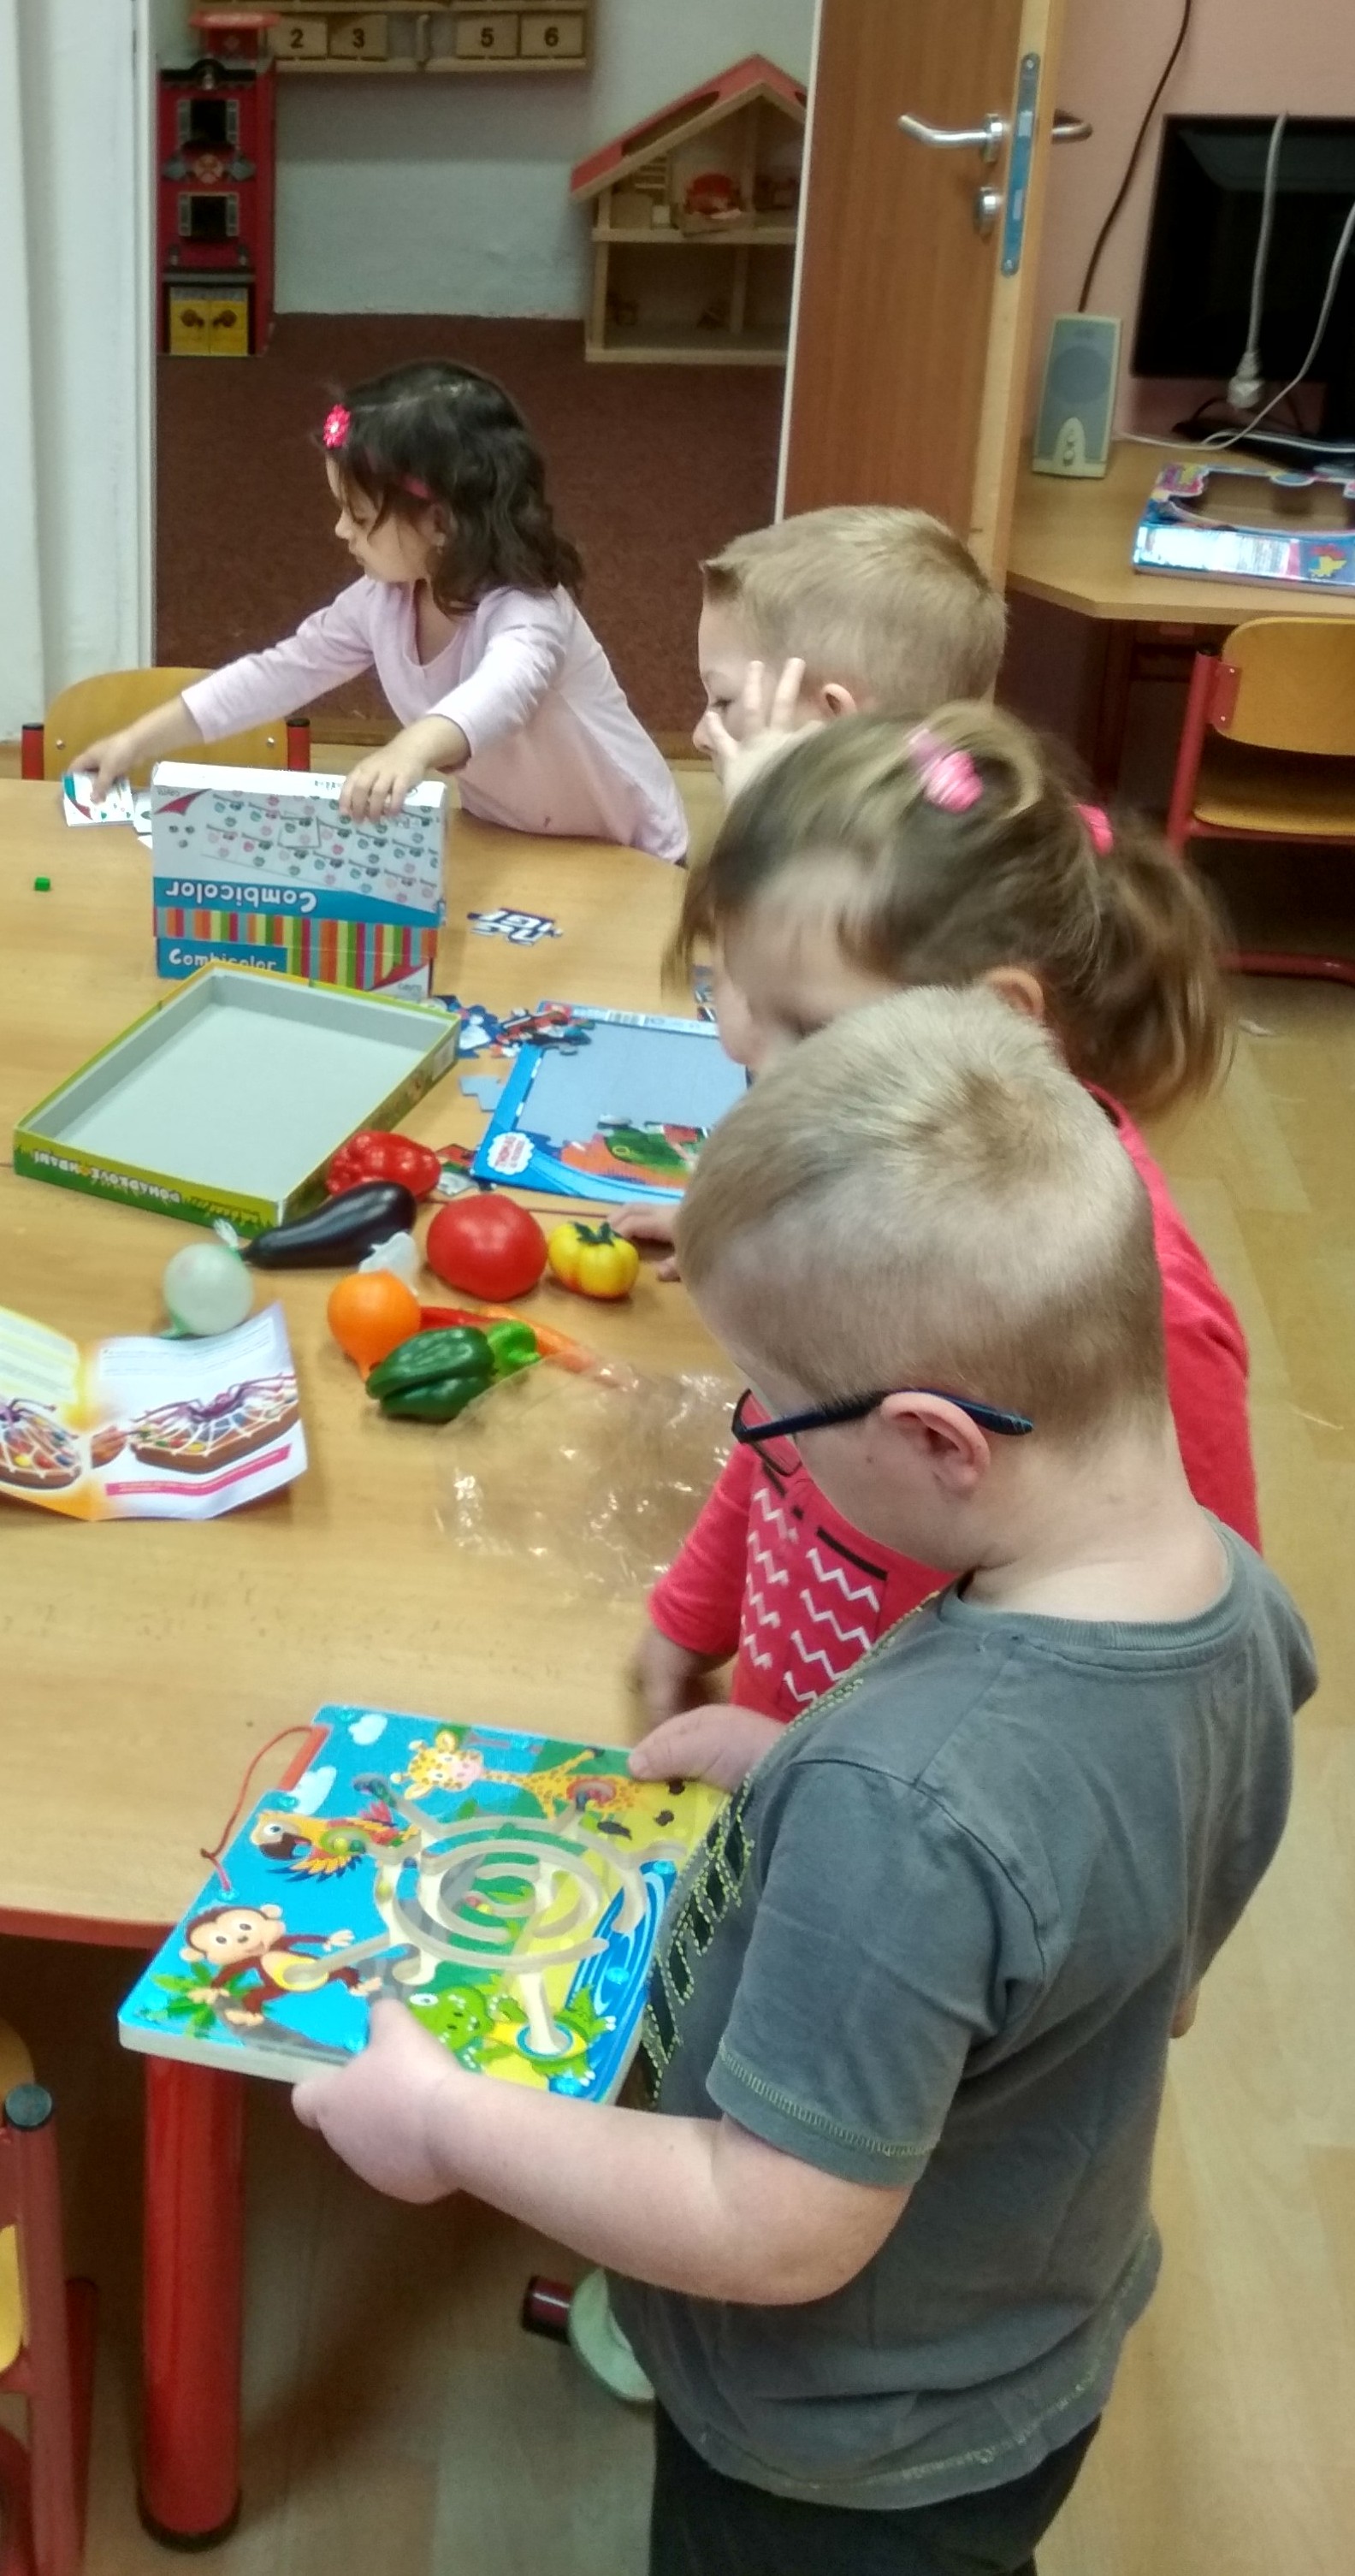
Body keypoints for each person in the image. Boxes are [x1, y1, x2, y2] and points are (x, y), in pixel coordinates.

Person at [293, 988, 1313, 2576]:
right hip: (1026, 2333)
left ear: (937, 1440)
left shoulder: (903, 1808)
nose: (761, 1443)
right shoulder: (1238, 1610)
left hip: (837, 2452)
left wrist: (442, 2120)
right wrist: (790, 1760)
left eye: (773, 1412)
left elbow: (771, 2219)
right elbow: (1118, 1934)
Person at [631, 707, 1260, 1737]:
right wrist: (694, 1610)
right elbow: (787, 1426)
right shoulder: (862, 1183)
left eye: (811, 1029)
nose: (753, 1064)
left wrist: (829, 1771)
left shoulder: (1148, 1322)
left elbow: (1177, 1693)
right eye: (738, 993)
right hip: (796, 1760)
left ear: (999, 1016)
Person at [75, 358, 688, 862]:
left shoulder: (529, 607)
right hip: (507, 835)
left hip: (625, 848)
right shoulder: (382, 601)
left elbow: (504, 691)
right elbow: (280, 672)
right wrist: (137, 740)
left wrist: (410, 748)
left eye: (361, 515)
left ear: (441, 523)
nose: (341, 530)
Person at [691, 506, 1007, 795]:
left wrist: (756, 807)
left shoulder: (835, 840)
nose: (700, 737)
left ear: (838, 722)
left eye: (724, 701)